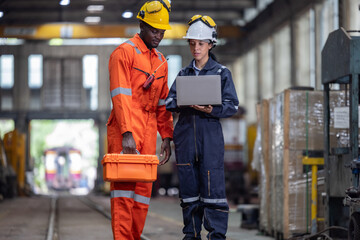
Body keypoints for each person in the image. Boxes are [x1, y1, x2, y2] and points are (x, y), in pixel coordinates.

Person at [165, 15, 239, 240]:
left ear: (210, 44)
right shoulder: (183, 74)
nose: (196, 48)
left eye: (201, 43)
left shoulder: (221, 73)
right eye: (192, 43)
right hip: (186, 136)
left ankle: (216, 236)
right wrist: (183, 102)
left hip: (209, 137)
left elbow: (232, 106)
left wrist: (210, 110)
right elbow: (168, 102)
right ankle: (192, 235)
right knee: (188, 192)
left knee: (213, 189)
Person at [107, 1, 173, 239]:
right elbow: (120, 96)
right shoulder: (123, 53)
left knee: (143, 196)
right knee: (124, 194)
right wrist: (126, 133)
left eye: (162, 31)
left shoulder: (161, 62)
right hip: (127, 129)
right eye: (154, 30)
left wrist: (166, 136)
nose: (158, 35)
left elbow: (163, 104)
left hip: (148, 132)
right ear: (141, 25)